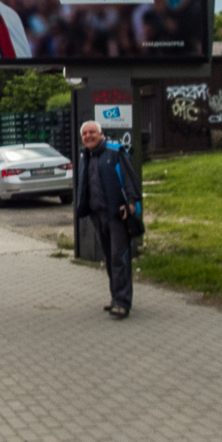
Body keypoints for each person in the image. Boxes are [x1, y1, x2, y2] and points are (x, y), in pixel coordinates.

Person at [76, 121, 142, 319]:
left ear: (100, 134)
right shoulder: (84, 156)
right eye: (85, 133)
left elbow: (130, 179)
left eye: (92, 132)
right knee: (109, 257)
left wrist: (131, 203)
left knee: (118, 257)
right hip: (97, 216)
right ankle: (116, 297)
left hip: (117, 214)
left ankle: (122, 302)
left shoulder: (114, 152)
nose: (88, 136)